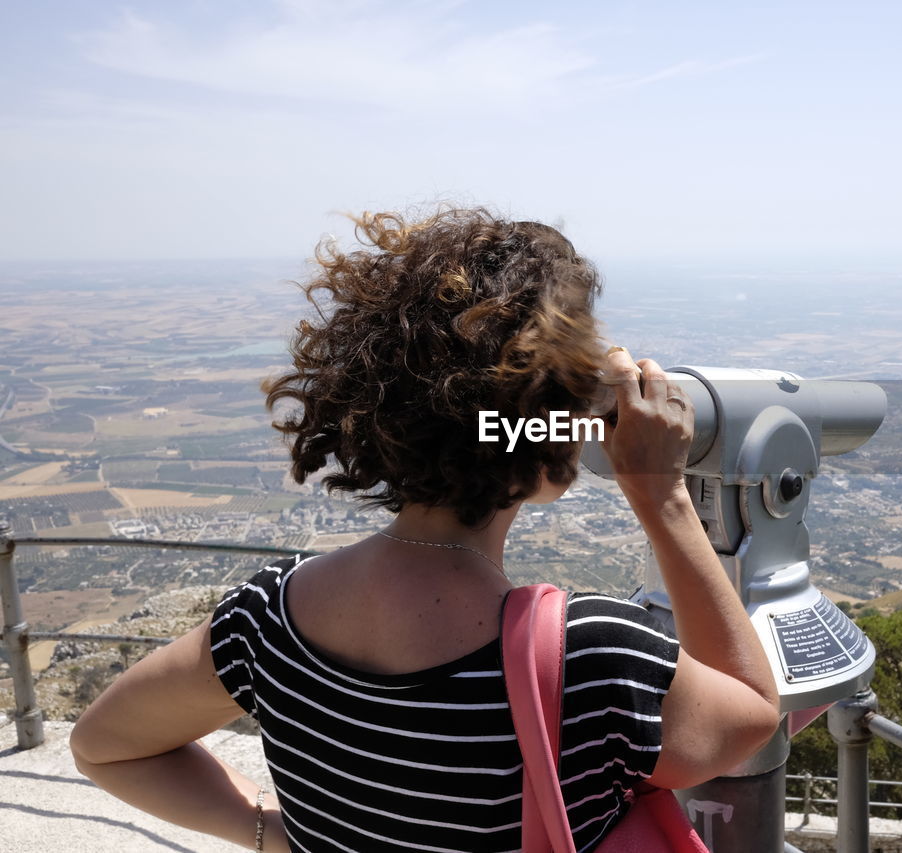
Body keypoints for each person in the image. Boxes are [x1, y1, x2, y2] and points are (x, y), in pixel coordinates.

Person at [70, 207, 780, 852]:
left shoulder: (266, 620)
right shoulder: (586, 659)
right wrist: (664, 496)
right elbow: (749, 715)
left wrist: (266, 830)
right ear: (541, 434)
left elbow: (102, 745)